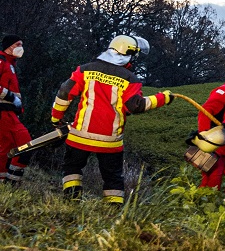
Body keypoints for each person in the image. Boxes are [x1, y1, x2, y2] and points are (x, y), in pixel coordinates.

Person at [50, 34, 174, 203]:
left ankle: (72, 202)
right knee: (113, 178)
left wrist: (56, 119)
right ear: (128, 54)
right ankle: (112, 211)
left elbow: (64, 93)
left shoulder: (85, 70)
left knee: (72, 167)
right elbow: (135, 106)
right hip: (110, 141)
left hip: (80, 135)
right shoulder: (130, 79)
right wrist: (163, 98)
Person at [196, 71, 225, 192]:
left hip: (224, 149)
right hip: (215, 148)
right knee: (211, 184)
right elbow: (204, 112)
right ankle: (201, 208)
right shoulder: (224, 92)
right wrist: (206, 141)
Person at [0, 35, 33, 185]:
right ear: (9, 46)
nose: (21, 48)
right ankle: (11, 182)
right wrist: (12, 98)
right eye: (18, 44)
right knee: (25, 143)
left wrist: (17, 106)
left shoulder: (10, 64)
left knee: (7, 149)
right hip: (3, 112)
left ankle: (7, 182)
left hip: (10, 113)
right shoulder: (2, 61)